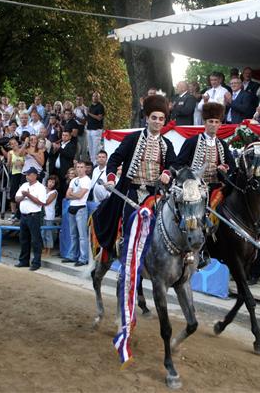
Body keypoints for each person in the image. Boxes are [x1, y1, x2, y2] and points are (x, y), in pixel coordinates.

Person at [92, 95, 175, 250]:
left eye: (161, 119)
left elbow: (173, 165)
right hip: (131, 190)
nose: (157, 121)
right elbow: (114, 160)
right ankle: (123, 248)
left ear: (164, 121)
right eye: (154, 118)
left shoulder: (167, 144)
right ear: (147, 119)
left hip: (155, 193)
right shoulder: (132, 139)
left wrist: (167, 174)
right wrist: (111, 179)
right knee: (128, 217)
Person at [175, 102, 236, 189]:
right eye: (211, 121)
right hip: (196, 187)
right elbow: (179, 163)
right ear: (205, 122)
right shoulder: (192, 141)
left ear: (220, 124)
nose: (213, 125)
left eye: (216, 122)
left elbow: (232, 165)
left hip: (217, 186)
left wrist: (225, 167)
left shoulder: (222, 144)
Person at [15, 167, 47, 271]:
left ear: (34, 175)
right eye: (26, 175)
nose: (27, 176)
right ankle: (24, 260)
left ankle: (36, 262)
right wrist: (24, 196)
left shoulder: (41, 187)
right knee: (23, 239)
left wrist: (28, 195)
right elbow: (16, 198)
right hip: (24, 215)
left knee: (35, 240)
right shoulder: (24, 185)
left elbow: (41, 202)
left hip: (34, 215)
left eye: (29, 174)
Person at [61, 161, 91, 267]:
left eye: (81, 167)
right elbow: (67, 195)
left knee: (82, 235)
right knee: (73, 234)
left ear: (85, 169)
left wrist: (73, 194)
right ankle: (73, 255)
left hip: (81, 207)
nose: (79, 169)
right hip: (72, 207)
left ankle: (83, 258)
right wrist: (75, 194)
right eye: (78, 167)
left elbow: (80, 196)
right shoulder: (74, 180)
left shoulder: (87, 180)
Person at [7, 137, 25, 221]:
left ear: (17, 143)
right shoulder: (10, 152)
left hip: (22, 173)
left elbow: (27, 162)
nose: (14, 145)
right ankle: (13, 213)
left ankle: (21, 211)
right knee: (13, 192)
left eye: (15, 143)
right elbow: (8, 165)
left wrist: (22, 163)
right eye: (12, 144)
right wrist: (10, 162)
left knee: (22, 192)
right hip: (14, 173)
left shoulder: (23, 151)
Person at [41, 175, 59, 259]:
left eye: (53, 182)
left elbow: (47, 202)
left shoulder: (54, 192)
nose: (51, 183)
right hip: (42, 214)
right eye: (50, 181)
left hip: (49, 214)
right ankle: (45, 248)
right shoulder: (43, 189)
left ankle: (49, 250)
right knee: (42, 233)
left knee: (48, 233)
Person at [86, 91, 105, 165]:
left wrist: (89, 113)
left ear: (99, 98)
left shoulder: (100, 106)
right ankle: (91, 163)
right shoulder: (90, 106)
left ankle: (96, 164)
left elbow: (99, 118)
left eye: (96, 96)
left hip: (96, 130)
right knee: (90, 148)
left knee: (95, 148)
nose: (95, 97)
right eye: (93, 96)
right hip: (89, 129)